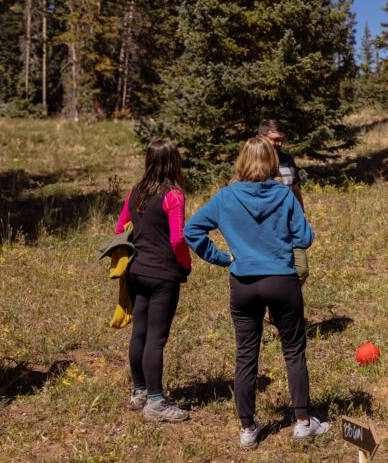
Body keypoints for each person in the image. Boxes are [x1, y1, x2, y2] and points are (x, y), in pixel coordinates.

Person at [184, 137, 327, 450]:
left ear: (242, 162)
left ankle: (248, 427)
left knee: (246, 355)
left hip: (244, 283)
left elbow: (191, 230)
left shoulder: (226, 197)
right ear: (272, 163)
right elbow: (304, 238)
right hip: (281, 280)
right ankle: (303, 422)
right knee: (293, 350)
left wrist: (223, 257)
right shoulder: (284, 195)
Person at [114, 140, 217, 422]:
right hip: (162, 274)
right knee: (156, 340)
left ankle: (139, 392)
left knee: (140, 332)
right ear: (174, 162)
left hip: (136, 270)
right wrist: (185, 263)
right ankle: (156, 402)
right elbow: (177, 238)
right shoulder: (173, 195)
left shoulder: (135, 191)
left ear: (149, 160)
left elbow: (119, 228)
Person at [258, 119, 308, 282]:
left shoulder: (287, 159)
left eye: (282, 139)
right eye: (275, 139)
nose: (279, 143)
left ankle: (284, 303)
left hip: (290, 222)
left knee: (301, 270)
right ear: (262, 136)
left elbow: (294, 188)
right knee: (268, 271)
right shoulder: (254, 161)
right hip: (265, 225)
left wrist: (302, 213)